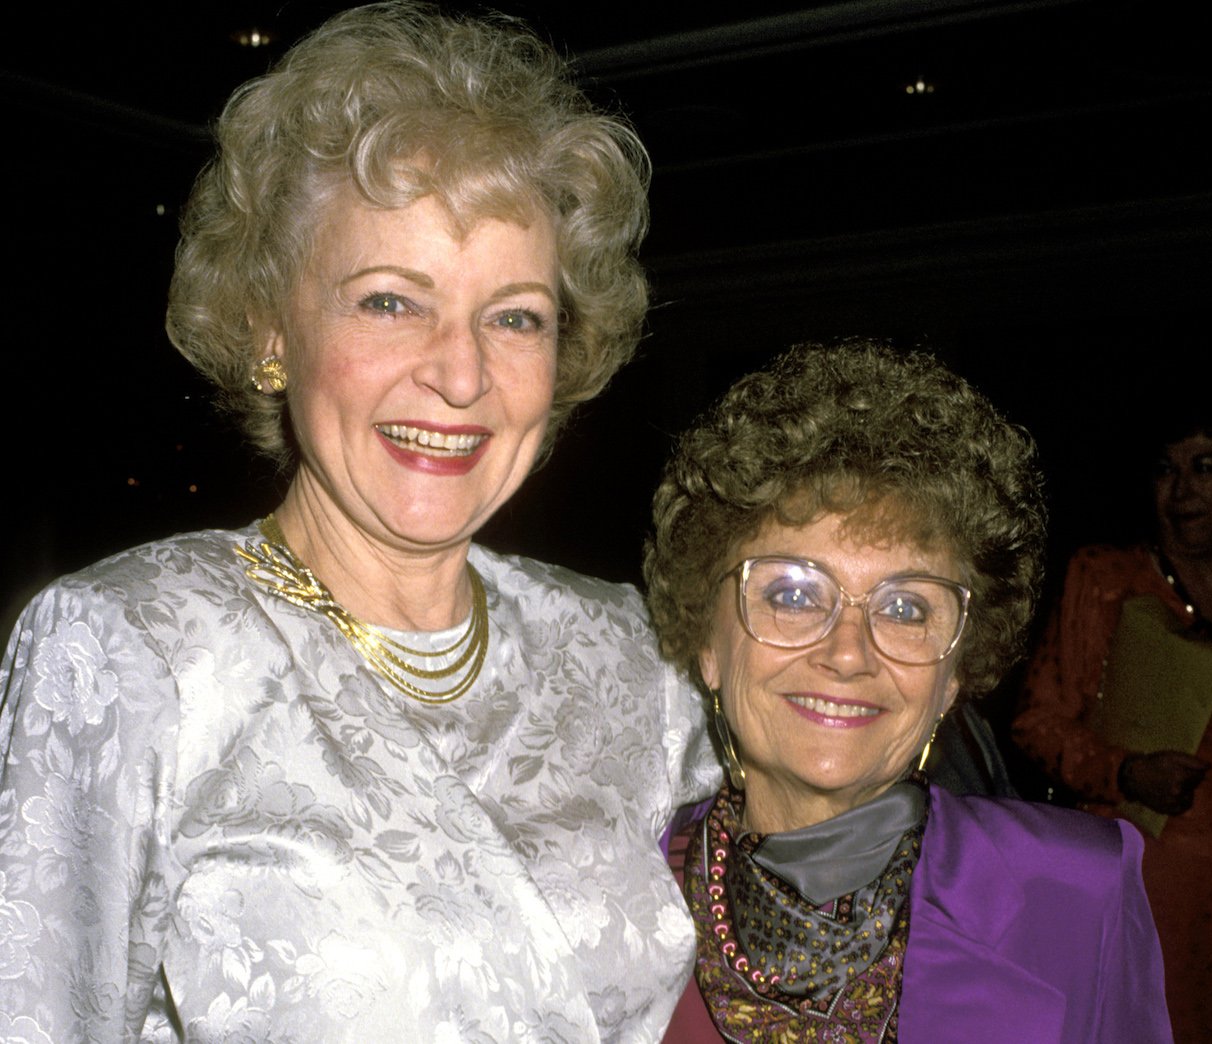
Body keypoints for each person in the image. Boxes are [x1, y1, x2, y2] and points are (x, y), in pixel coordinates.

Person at [0, 4, 719, 1040]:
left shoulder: (629, 658)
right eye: (390, 300)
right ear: (269, 333)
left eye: (515, 316)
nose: (461, 371)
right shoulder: (128, 651)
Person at [645, 341, 1173, 1042]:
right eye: (795, 594)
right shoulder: (607, 896)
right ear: (706, 642)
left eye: (906, 608)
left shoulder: (1079, 890)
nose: (847, 652)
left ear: (954, 671)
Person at [1013, 408, 1212, 1042]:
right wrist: (1126, 772)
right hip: (1148, 880)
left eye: (1205, 468)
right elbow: (1036, 723)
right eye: (1166, 470)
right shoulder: (1106, 578)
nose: (1182, 490)